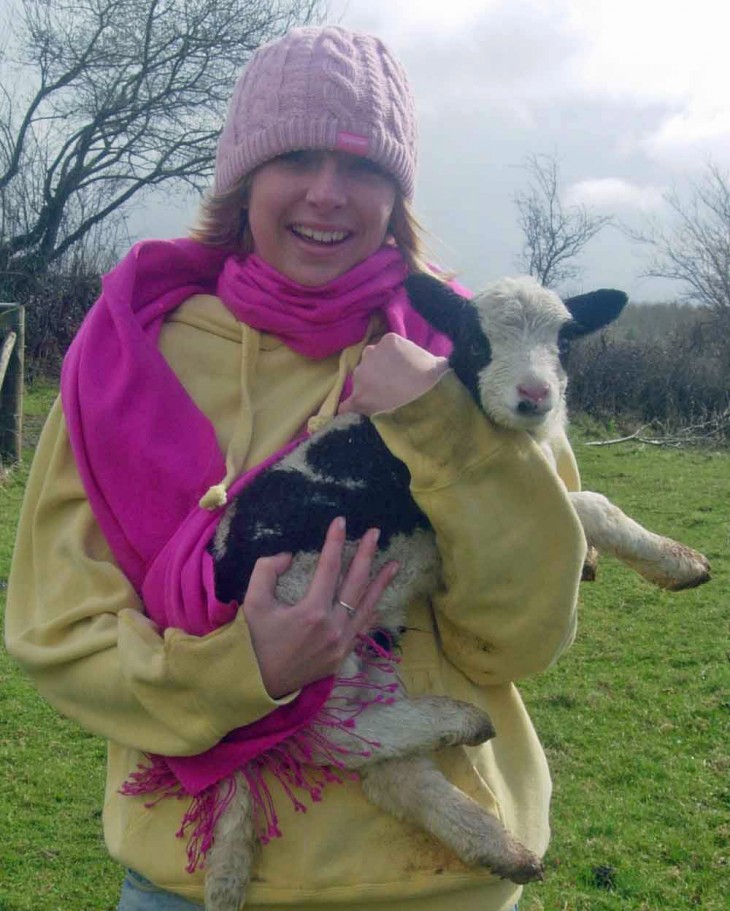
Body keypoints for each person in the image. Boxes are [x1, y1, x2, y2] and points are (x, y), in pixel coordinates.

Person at [4, 24, 586, 911]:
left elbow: (523, 635)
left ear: (398, 192)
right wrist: (245, 668)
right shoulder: (132, 356)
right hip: (196, 886)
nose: (327, 194)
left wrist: (441, 427)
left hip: (437, 887)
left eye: (364, 167)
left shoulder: (477, 357)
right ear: (243, 180)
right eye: (296, 158)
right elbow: (57, 625)